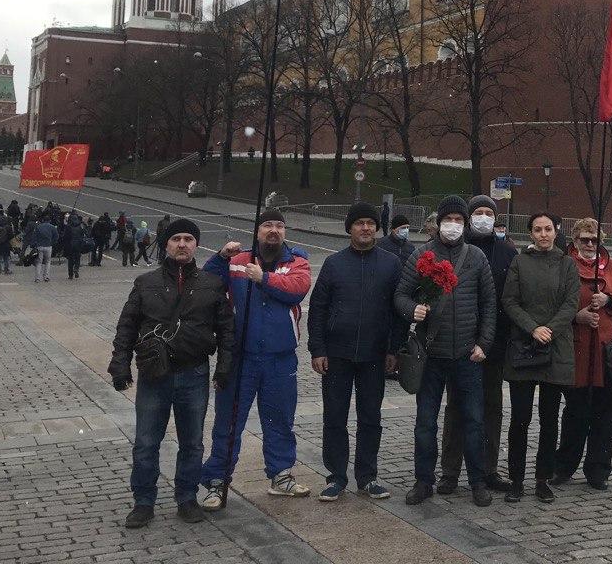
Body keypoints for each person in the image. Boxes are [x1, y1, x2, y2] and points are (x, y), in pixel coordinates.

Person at [110, 218, 234, 529]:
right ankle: (143, 501)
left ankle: (187, 497)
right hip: (155, 375)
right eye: (176, 239)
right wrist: (120, 363)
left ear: (196, 245)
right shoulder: (145, 283)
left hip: (193, 373)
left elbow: (227, 331)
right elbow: (126, 326)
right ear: (165, 244)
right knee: (146, 442)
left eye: (188, 239)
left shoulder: (212, 284)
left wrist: (224, 367)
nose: (182, 244)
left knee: (192, 442)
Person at [197, 209, 313, 508]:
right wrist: (221, 257)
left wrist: (265, 278)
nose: (273, 230)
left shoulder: (296, 261)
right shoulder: (239, 262)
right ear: (257, 231)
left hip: (280, 358)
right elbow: (207, 282)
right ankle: (217, 481)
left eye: (279, 226)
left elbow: (297, 289)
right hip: (240, 358)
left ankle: (281, 475)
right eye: (267, 225)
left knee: (279, 419)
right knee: (229, 420)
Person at [394, 195, 497, 508]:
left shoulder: (477, 257)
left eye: (458, 220)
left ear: (465, 225)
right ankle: (424, 480)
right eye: (448, 220)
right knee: (426, 422)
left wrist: (484, 343)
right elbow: (400, 295)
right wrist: (413, 310)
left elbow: (489, 304)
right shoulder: (421, 255)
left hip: (467, 354)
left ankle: (478, 481)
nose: (453, 226)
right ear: (438, 223)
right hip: (431, 354)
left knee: (474, 421)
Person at [308, 202, 406, 501]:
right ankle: (336, 476)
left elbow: (398, 310)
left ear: (377, 228)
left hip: (375, 355)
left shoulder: (391, 263)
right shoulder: (334, 264)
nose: (365, 228)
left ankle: (367, 476)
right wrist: (317, 348)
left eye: (370, 223)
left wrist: (394, 349)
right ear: (349, 228)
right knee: (335, 417)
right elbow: (318, 309)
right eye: (359, 223)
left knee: (370, 417)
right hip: (337, 353)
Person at [499, 211, 579, 503]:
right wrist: (533, 328)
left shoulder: (567, 264)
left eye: (548, 229)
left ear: (556, 232)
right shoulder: (520, 262)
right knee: (520, 418)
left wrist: (550, 329)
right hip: (525, 346)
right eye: (537, 230)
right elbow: (509, 300)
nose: (543, 234)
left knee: (549, 418)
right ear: (530, 233)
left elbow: (571, 303)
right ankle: (516, 479)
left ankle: (543, 478)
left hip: (555, 348)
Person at [552, 218, 612, 490]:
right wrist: (575, 317)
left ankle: (599, 469)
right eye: (584, 239)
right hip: (576, 349)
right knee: (575, 412)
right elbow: (553, 303)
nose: (589, 245)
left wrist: (609, 300)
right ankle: (564, 466)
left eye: (594, 240)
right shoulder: (564, 265)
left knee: (606, 413)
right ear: (575, 241)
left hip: (608, 351)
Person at [438, 194, 515, 495]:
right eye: (478, 212)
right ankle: (450, 471)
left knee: (491, 408)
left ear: (495, 217)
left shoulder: (507, 251)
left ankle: (488, 468)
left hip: (493, 346)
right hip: (459, 344)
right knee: (457, 408)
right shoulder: (456, 248)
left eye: (488, 212)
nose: (483, 217)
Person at [27, 214, 58, 283]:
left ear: (43, 220)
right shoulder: (52, 227)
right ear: (49, 220)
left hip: (39, 246)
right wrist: (52, 243)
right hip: (48, 246)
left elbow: (34, 237)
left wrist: (33, 245)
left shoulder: (38, 227)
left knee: (38, 262)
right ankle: (46, 277)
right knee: (47, 261)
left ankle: (37, 278)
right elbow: (56, 237)